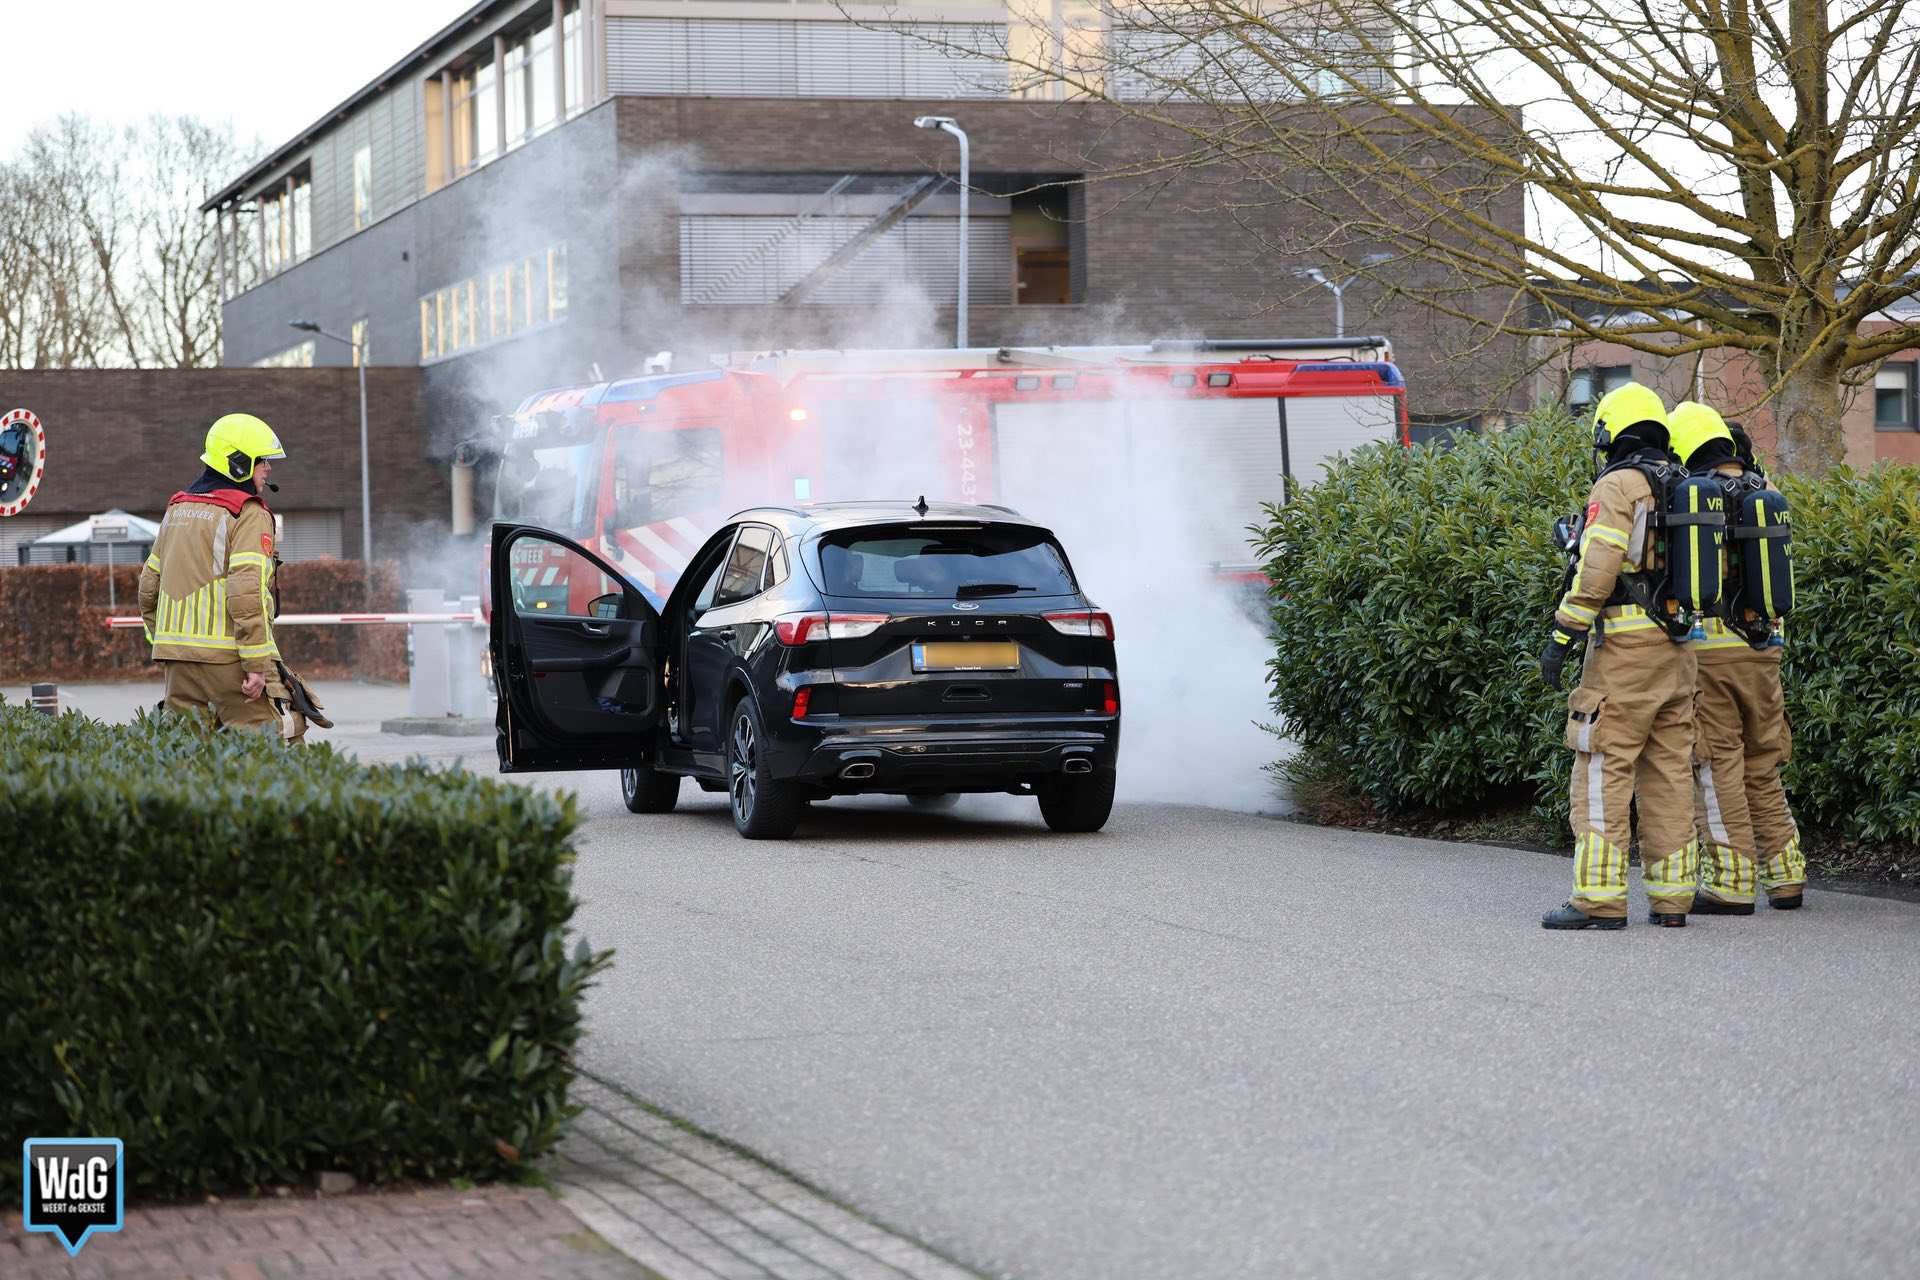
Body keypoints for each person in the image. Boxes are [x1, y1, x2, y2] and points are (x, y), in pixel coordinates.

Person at [1539, 382, 1698, 929]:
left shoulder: (1619, 484)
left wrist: (1563, 633)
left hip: (1625, 655)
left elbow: (1600, 566)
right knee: (1671, 773)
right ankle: (1673, 900)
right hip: (1681, 654)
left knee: (1602, 766)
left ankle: (1599, 900)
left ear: (1611, 432)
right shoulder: (1686, 485)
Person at [1667, 404, 1804, 913]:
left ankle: (1729, 882)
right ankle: (1786, 876)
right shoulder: (1761, 491)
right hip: (1763, 651)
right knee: (1762, 763)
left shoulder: (1693, 498)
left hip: (1712, 654)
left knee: (1716, 763)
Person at [138, 413, 302, 740]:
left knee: (186, 755)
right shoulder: (247, 513)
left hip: (177, 663)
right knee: (272, 744)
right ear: (238, 464)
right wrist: (256, 662)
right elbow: (246, 593)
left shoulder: (177, 509)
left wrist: (165, 642)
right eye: (261, 461)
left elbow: (148, 587)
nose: (268, 468)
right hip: (230, 663)